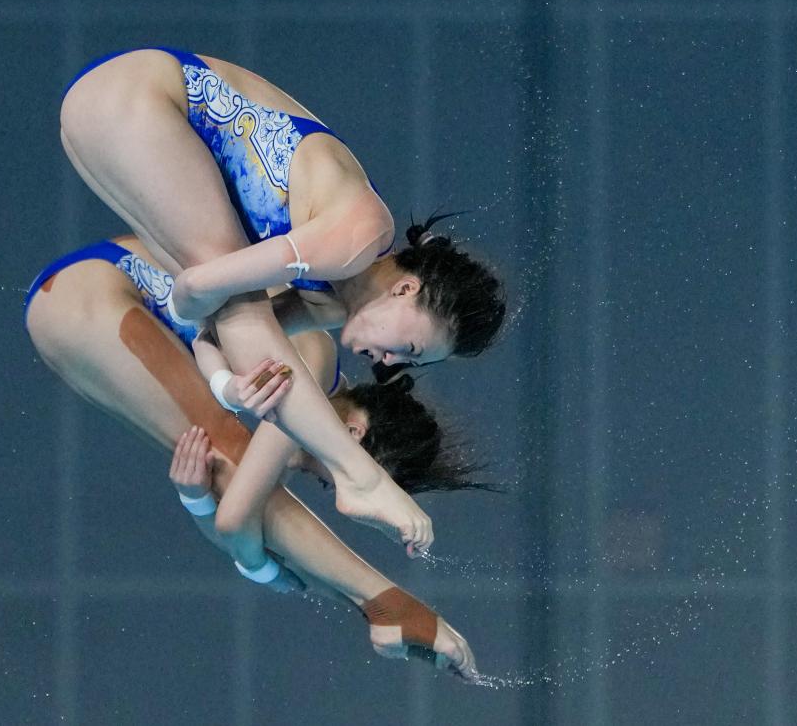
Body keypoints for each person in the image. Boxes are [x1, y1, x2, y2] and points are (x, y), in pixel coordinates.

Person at [58, 46, 506, 557]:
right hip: (135, 97)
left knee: (238, 307)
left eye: (404, 361)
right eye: (409, 347)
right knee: (239, 302)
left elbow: (208, 336)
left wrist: (229, 387)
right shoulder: (361, 234)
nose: (388, 361)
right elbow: (199, 290)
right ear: (407, 289)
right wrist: (194, 304)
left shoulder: (328, 304)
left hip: (102, 121)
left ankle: (356, 475)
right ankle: (360, 476)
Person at [24, 234, 491, 678]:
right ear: (352, 433)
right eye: (330, 480)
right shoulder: (314, 361)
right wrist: (262, 567)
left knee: (230, 472)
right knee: (232, 459)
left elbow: (232, 514)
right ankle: (387, 604)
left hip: (80, 304)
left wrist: (197, 501)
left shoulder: (294, 409)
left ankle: (380, 607)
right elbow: (234, 522)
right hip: (97, 289)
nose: (321, 482)